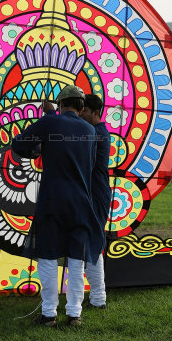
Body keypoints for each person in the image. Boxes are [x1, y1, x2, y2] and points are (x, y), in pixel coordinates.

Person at [12, 85, 105, 327]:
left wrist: (38, 148)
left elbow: (19, 144)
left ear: (61, 104)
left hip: (52, 200)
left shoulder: (49, 123)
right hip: (82, 203)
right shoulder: (90, 131)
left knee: (48, 257)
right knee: (76, 259)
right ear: (82, 107)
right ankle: (75, 315)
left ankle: (49, 314)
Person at [80, 94, 111, 309]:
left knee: (92, 244)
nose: (81, 116)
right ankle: (96, 298)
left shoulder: (96, 134)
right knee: (87, 243)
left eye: (85, 112)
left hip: (96, 194)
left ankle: (99, 298)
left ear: (96, 113)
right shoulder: (95, 132)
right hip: (92, 193)